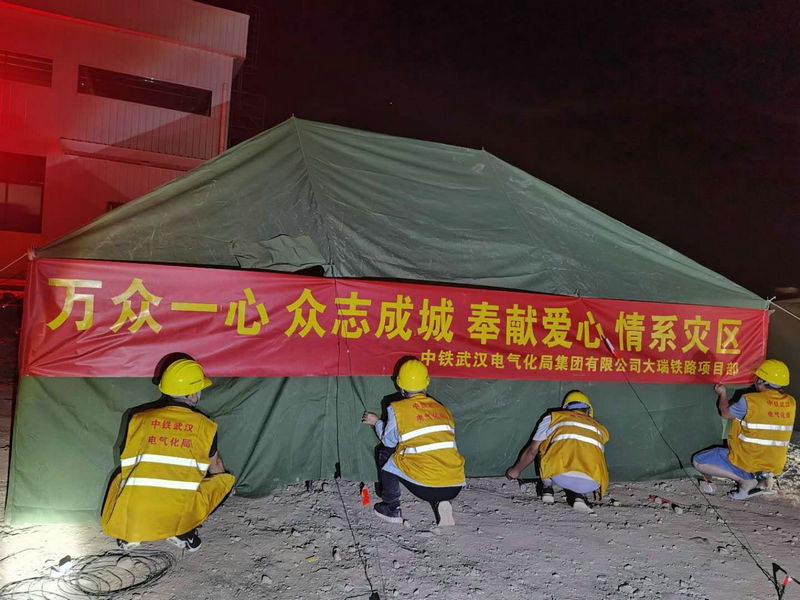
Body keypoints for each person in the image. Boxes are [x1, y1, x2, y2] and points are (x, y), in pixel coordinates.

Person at [101, 358, 235, 551]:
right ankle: (183, 532)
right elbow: (216, 468)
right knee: (225, 482)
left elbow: (126, 457)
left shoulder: (138, 418)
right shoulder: (205, 426)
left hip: (139, 508)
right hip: (178, 512)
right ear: (192, 394)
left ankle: (129, 532)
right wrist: (226, 489)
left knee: (119, 477)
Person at [361, 358, 465, 526]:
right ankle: (441, 501)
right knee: (432, 459)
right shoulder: (443, 409)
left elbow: (388, 441)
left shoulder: (398, 409)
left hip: (426, 486)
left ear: (400, 386)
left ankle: (392, 508)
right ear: (427, 383)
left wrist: (376, 422)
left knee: (386, 454)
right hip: (455, 484)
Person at [693, 359, 795, 499]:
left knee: (698, 461)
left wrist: (722, 394)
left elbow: (725, 413)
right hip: (775, 464)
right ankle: (765, 478)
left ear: (761, 381)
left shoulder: (750, 401)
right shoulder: (791, 403)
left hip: (749, 461)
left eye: (757, 377)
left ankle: (745, 480)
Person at [505, 391, 609, 513]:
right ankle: (580, 495)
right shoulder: (600, 429)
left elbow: (532, 451)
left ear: (566, 408)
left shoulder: (554, 418)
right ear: (588, 411)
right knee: (586, 452)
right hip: (593, 483)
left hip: (560, 476)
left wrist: (515, 471)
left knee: (543, 444)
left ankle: (547, 487)